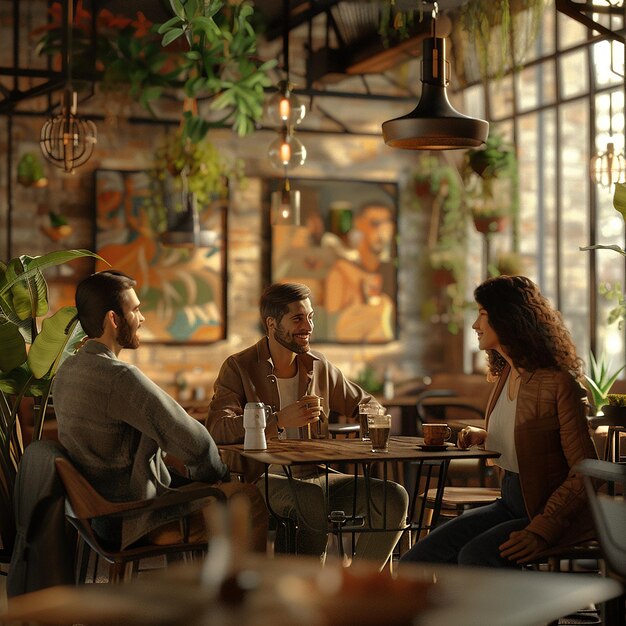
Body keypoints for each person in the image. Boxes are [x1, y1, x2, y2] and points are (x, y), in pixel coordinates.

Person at [53, 270, 268, 552]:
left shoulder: (66, 371)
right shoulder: (119, 378)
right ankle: (242, 591)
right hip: (134, 518)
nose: (142, 319)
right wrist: (218, 478)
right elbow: (195, 443)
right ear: (113, 319)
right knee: (246, 497)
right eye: (136, 310)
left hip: (94, 518)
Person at [206, 282, 408, 568]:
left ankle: (356, 586)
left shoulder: (318, 365)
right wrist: (278, 420)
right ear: (271, 323)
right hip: (262, 479)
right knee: (310, 498)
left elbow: (369, 405)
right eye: (298, 318)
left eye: (311, 317)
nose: (308, 326)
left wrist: (368, 427)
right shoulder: (239, 367)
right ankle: (302, 591)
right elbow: (219, 428)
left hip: (317, 474)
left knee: (392, 497)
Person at [401, 275, 598, 568]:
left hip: (546, 514)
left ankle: (515, 611)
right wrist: (486, 434)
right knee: (415, 561)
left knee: (474, 557)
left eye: (482, 315)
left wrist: (541, 531)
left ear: (508, 319)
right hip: (509, 503)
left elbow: (586, 472)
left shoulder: (559, 383)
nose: (475, 326)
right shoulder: (507, 373)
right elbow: (530, 435)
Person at [325, 202, 395, 342]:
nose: (382, 231)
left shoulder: (391, 271)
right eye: (375, 224)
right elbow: (331, 329)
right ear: (359, 225)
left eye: (386, 224)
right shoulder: (341, 272)